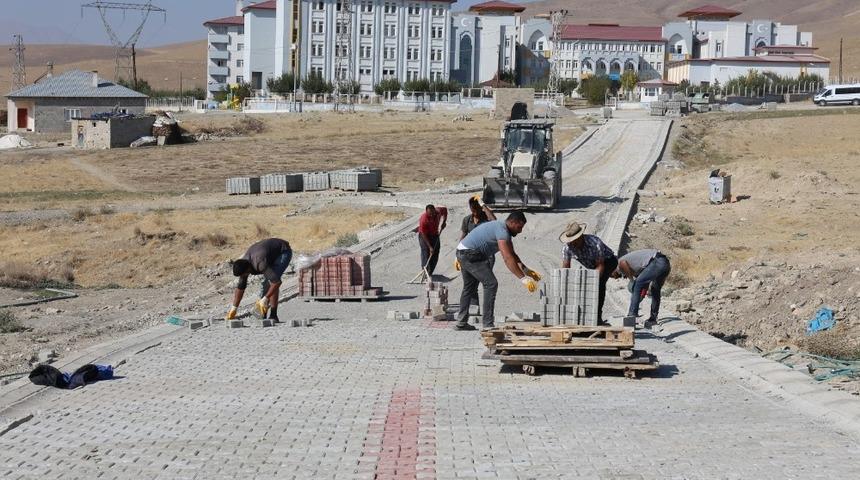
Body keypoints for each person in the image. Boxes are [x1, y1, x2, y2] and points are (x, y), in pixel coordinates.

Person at [453, 212, 541, 331]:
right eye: (519, 227)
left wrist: (526, 270)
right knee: (491, 283)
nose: (520, 231)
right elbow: (507, 258)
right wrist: (523, 279)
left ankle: (461, 322)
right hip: (471, 254)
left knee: (469, 287)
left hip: (464, 251)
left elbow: (512, 254)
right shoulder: (502, 231)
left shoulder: (502, 229)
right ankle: (488, 324)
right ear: (512, 222)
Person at [558, 222, 618, 324]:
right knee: (583, 287)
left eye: (574, 241)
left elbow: (600, 265)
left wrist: (593, 282)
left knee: (599, 286)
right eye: (570, 241)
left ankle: (597, 317)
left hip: (608, 261)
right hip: (591, 265)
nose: (572, 244)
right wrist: (565, 284)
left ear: (580, 237)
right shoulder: (567, 248)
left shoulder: (595, 243)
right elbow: (566, 268)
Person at [226, 238, 293, 323]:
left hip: (283, 251)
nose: (243, 277)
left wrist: (265, 299)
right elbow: (241, 287)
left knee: (272, 281)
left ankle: (273, 315)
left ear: (248, 269)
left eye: (244, 275)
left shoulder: (260, 263)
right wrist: (234, 309)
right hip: (267, 254)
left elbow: (276, 282)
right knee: (266, 284)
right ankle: (263, 311)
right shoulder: (243, 264)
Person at [455, 195, 496, 316]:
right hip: (469, 255)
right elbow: (462, 238)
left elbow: (495, 222)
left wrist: (484, 206)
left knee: (486, 282)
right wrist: (457, 255)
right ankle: (474, 310)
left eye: (477, 209)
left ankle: (486, 314)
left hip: (486, 256)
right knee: (470, 285)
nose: (475, 212)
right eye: (472, 210)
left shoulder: (486, 218)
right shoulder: (467, 220)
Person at [612, 249, 671, 326]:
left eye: (611, 275)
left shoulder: (618, 264)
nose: (614, 278)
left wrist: (632, 280)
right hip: (665, 264)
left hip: (657, 261)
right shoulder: (636, 267)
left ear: (612, 270)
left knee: (637, 284)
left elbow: (623, 263)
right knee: (655, 290)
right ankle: (653, 318)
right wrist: (642, 296)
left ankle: (632, 315)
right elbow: (645, 281)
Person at [417, 204, 448, 277]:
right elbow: (423, 233)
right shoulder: (423, 219)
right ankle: (425, 273)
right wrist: (430, 247)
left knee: (435, 252)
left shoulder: (439, 211)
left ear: (435, 210)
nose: (431, 215)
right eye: (429, 214)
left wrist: (444, 222)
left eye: (433, 213)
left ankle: (429, 272)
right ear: (426, 212)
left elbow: (445, 210)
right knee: (426, 252)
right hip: (424, 236)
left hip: (434, 234)